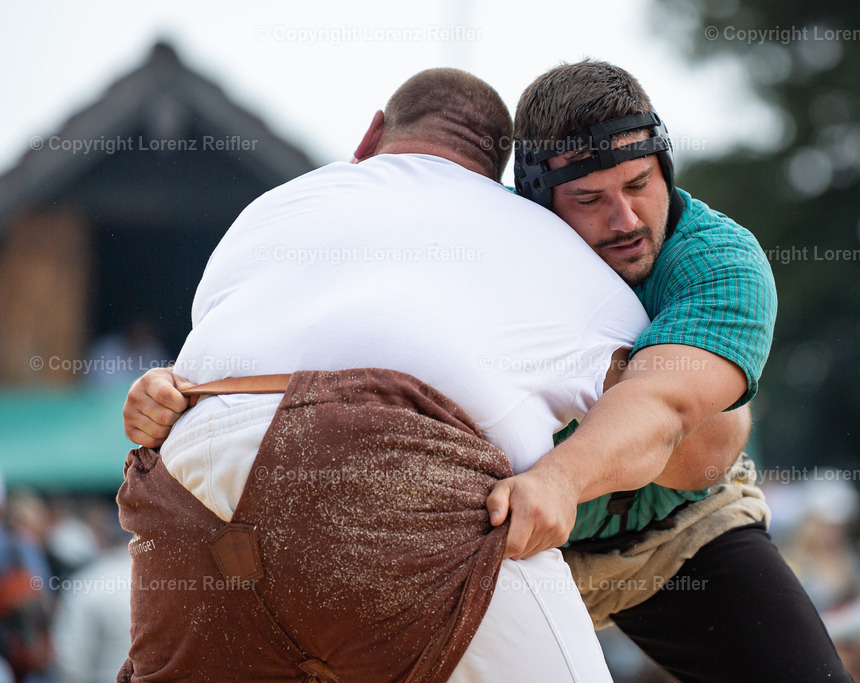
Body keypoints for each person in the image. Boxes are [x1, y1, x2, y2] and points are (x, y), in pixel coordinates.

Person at [118, 67, 652, 681]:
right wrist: (565, 478)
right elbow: (661, 413)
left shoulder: (273, 207)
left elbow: (221, 363)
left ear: (370, 136)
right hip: (387, 475)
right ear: (496, 175)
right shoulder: (541, 236)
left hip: (184, 489)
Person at [502, 59, 851, 681]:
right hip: (506, 545)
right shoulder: (483, 251)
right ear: (537, 202)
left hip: (678, 532)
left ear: (664, 168)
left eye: (639, 184)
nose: (625, 220)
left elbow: (674, 420)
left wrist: (558, 479)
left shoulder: (718, 259)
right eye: (589, 199)